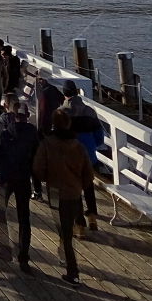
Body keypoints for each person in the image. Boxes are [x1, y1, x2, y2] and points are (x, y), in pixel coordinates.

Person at [33, 108, 94, 285]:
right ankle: (67, 252)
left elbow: (38, 168)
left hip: (55, 191)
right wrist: (78, 186)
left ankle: (72, 271)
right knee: (68, 227)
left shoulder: (47, 143)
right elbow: (88, 174)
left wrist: (48, 178)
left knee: (64, 232)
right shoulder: (78, 146)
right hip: (74, 192)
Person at [0, 94, 39, 273]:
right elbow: (36, 155)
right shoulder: (32, 132)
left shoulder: (2, 128)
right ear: (26, 116)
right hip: (23, 178)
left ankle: (4, 251)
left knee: (0, 213)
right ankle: (23, 257)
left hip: (4, 178)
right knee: (24, 217)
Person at [62, 82, 104, 233]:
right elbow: (100, 137)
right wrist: (92, 146)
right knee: (88, 187)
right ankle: (92, 216)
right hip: (89, 157)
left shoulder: (62, 113)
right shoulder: (90, 111)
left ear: (64, 94)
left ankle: (79, 226)